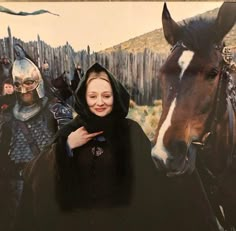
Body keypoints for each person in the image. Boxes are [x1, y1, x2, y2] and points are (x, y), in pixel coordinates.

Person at [16, 62, 166, 231]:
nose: (100, 102)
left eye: (106, 96)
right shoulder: (71, 130)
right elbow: (36, 173)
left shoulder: (131, 131)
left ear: (115, 96)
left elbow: (150, 185)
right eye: (93, 96)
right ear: (84, 98)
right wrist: (66, 147)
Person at [0, 44, 73, 231]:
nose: (23, 90)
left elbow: (68, 152)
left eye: (28, 83)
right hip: (16, 189)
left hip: (48, 186)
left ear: (37, 82)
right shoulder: (7, 118)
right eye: (18, 85)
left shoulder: (57, 111)